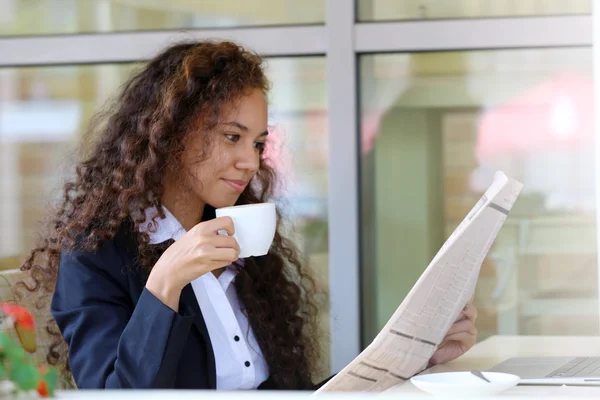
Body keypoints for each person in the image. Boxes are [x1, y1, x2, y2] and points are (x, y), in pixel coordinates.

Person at [19, 40, 478, 390]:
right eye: (232, 137)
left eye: (257, 143)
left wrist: (415, 359)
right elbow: (116, 395)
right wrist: (165, 285)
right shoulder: (96, 257)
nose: (251, 162)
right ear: (169, 133)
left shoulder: (241, 241)